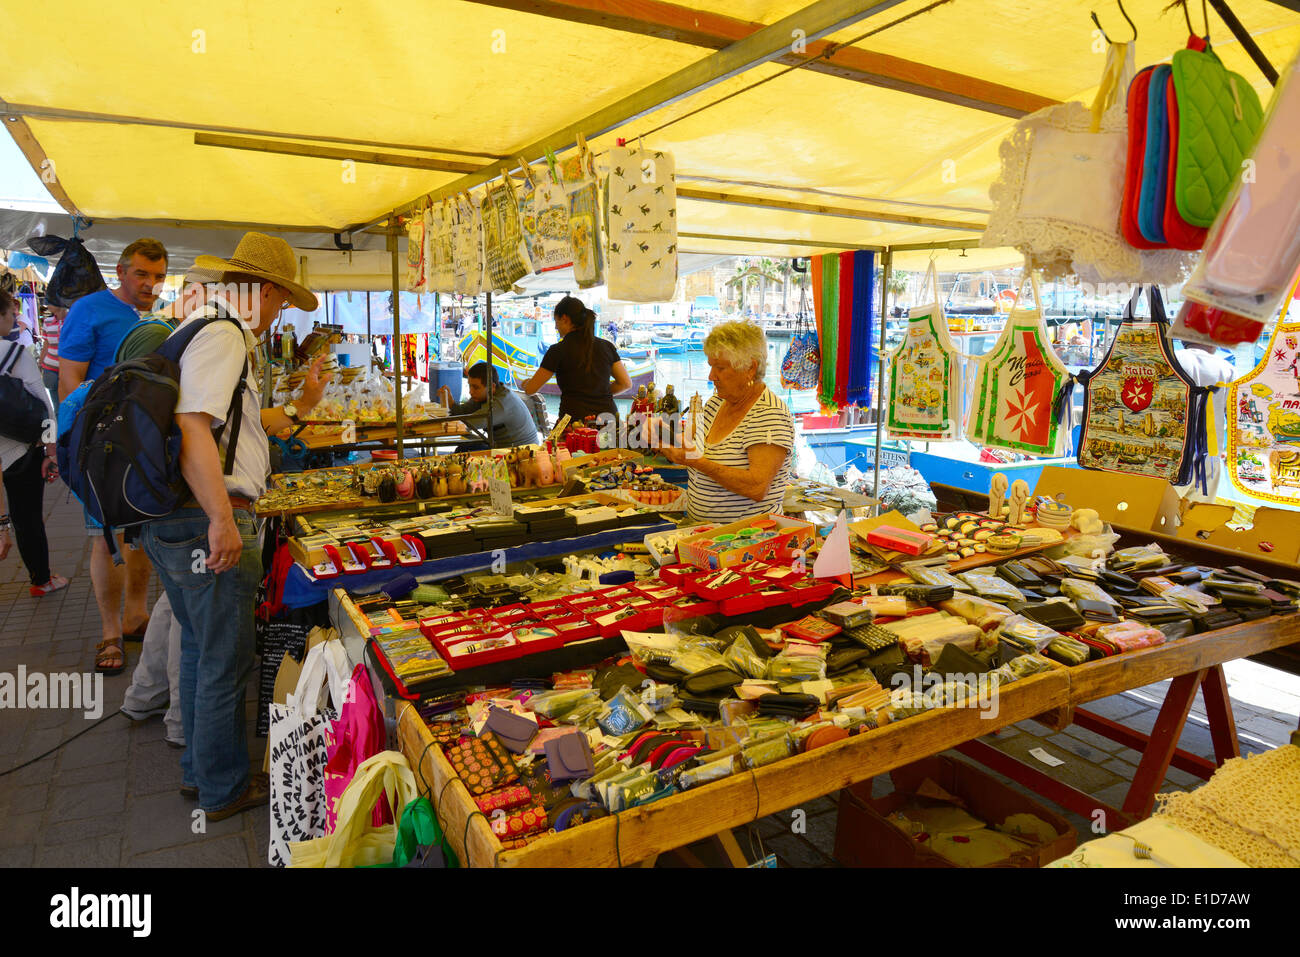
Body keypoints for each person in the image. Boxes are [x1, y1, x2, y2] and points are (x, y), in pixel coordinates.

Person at [139, 231, 328, 821]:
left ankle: (202, 773)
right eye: (280, 304)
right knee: (225, 660)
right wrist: (222, 520)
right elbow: (194, 427)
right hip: (205, 521)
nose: (279, 318)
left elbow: (230, 424)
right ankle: (224, 788)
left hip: (178, 518)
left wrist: (300, 406)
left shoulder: (197, 326)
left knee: (200, 651)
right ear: (264, 291)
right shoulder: (222, 334)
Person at [59, 237, 169, 674]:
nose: (150, 283)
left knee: (140, 534)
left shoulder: (156, 316)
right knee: (107, 539)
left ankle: (135, 616)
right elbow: (70, 382)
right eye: (141, 273)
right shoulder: (89, 310)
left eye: (158, 276)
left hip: (146, 445)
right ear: (121, 271)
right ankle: (109, 632)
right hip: (101, 445)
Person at [659, 321, 795, 523]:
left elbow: (756, 487)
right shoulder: (716, 403)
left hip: (747, 542)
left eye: (720, 368)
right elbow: (698, 448)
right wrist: (669, 436)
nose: (711, 376)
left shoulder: (769, 414)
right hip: (705, 536)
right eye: (711, 366)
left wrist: (694, 461)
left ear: (750, 368)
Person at [0, 289, 67, 598]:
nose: (15, 320)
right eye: (11, 314)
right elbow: (43, 403)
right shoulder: (13, 353)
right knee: (26, 515)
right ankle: (41, 579)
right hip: (20, 451)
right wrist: (51, 449)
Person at [521, 295, 632, 425]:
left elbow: (531, 389)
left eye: (556, 322)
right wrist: (600, 392)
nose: (556, 327)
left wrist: (526, 384)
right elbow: (625, 384)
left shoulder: (557, 350)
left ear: (565, 319)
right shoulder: (606, 346)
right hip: (608, 421)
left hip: (574, 424)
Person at [1175, 340, 1237, 503]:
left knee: (1160, 519)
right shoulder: (1227, 369)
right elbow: (1234, 418)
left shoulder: (1171, 360)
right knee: (1198, 521)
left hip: (1172, 458)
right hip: (1207, 461)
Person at [437, 361, 538, 449]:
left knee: (464, 450)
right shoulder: (485, 395)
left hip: (521, 453)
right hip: (501, 447)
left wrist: (444, 416)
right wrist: (451, 404)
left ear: (492, 387)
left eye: (475, 387)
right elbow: (464, 412)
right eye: (470, 385)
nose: (470, 392)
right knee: (464, 448)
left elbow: (469, 423)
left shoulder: (500, 404)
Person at [39, 303, 66, 403]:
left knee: (69, 404)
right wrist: (40, 363)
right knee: (56, 405)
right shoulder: (47, 321)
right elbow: (46, 344)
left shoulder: (72, 321)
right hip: (50, 368)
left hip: (68, 369)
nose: (48, 304)